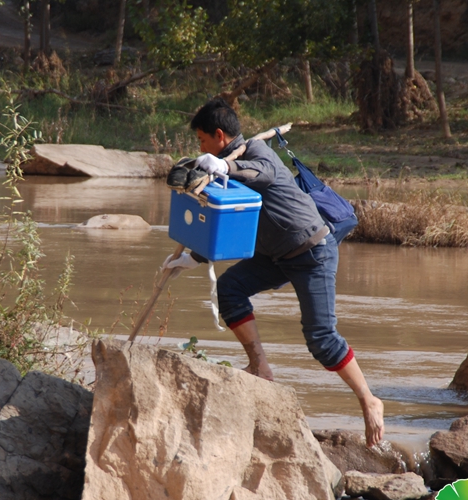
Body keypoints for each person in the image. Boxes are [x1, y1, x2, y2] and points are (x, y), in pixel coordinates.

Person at [164, 98, 385, 447]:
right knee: (230, 289)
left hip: (312, 251)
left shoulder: (257, 151)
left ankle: (368, 399)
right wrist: (196, 256)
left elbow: (261, 175)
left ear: (219, 136)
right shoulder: (219, 169)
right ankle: (260, 368)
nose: (200, 148)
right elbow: (225, 223)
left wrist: (223, 168)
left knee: (321, 338)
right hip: (275, 255)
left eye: (202, 141)